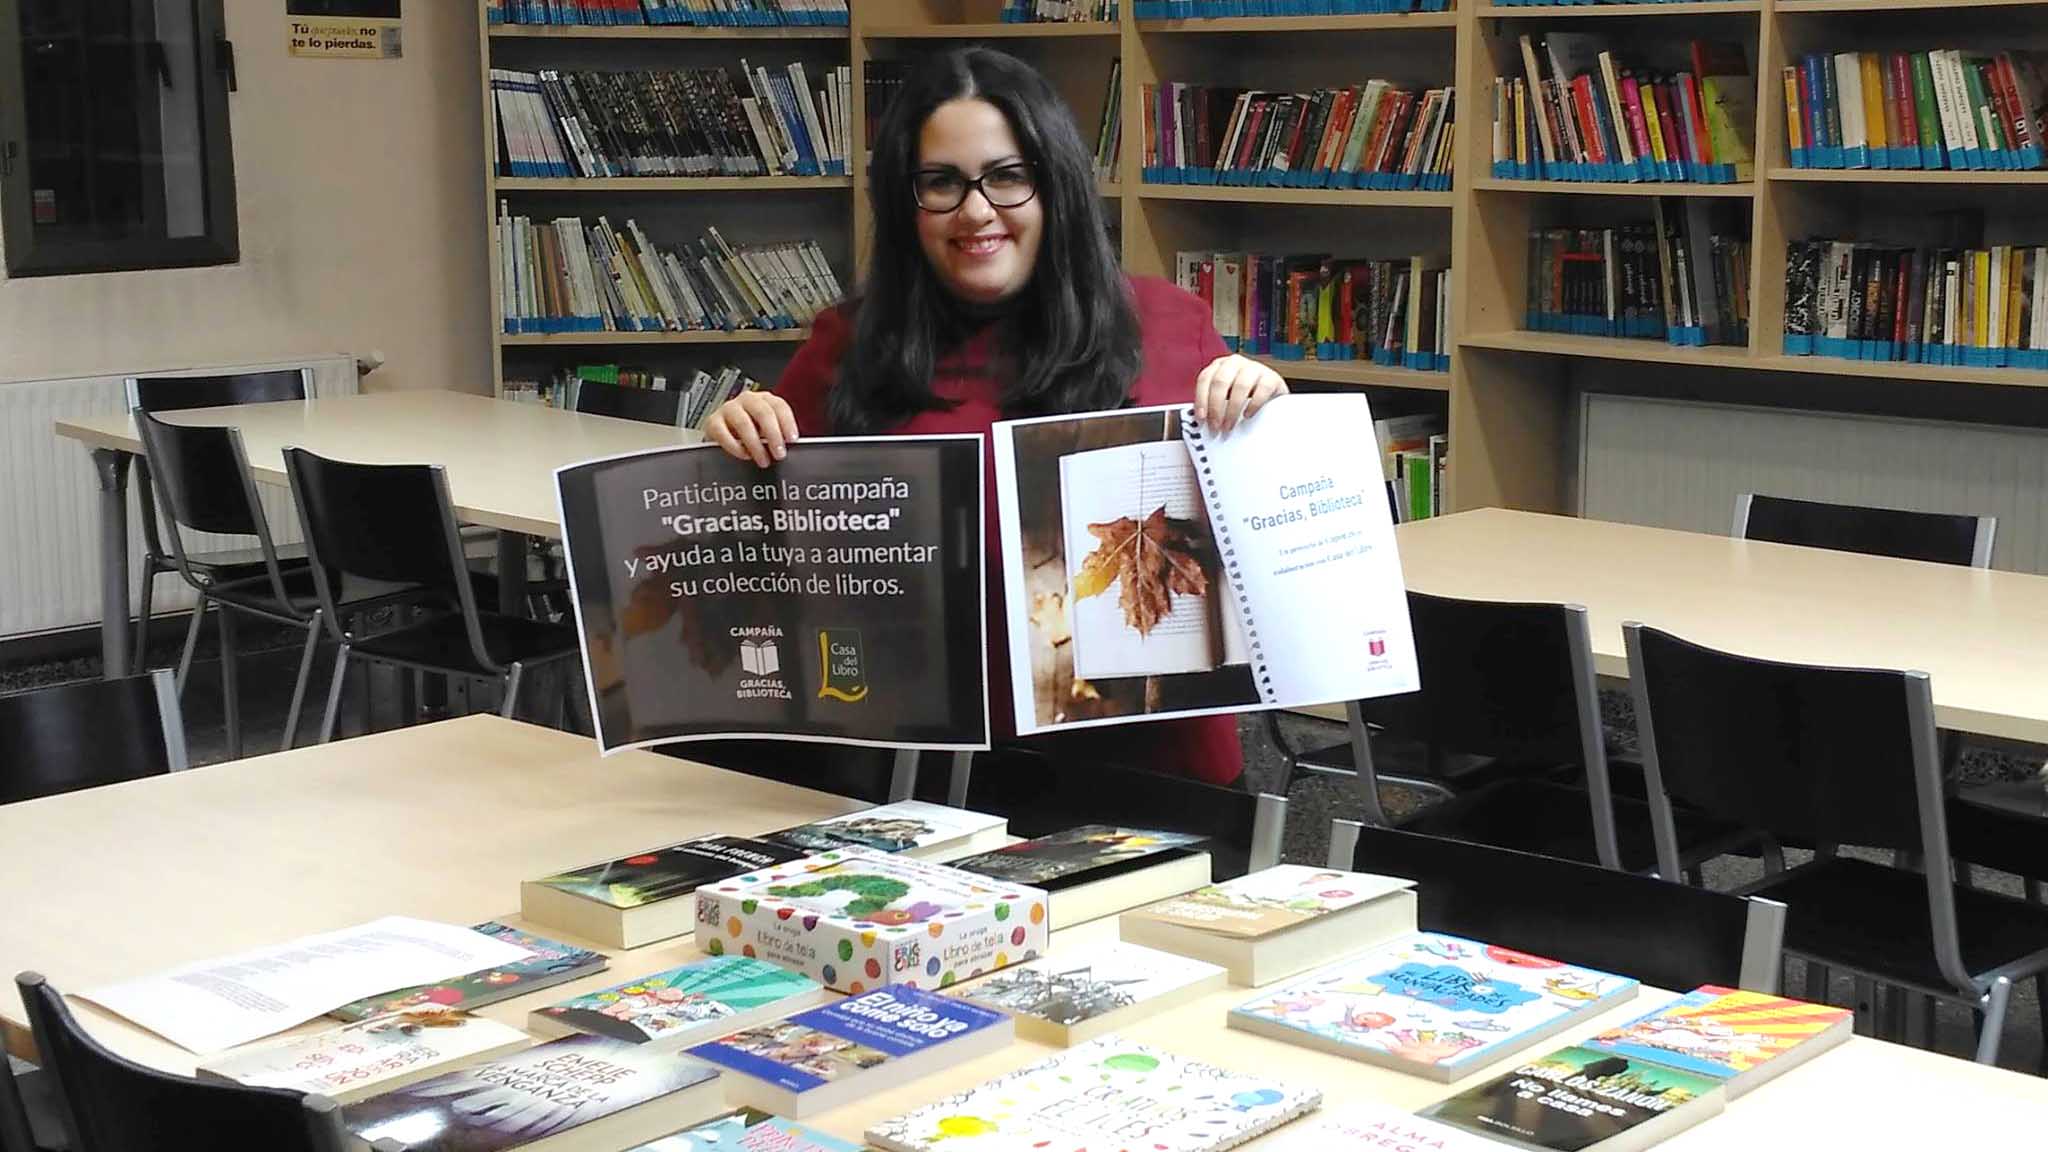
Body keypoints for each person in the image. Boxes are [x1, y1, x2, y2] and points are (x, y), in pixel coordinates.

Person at [706, 47, 1288, 786]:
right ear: (904, 202)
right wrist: (731, 444)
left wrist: (1266, 415)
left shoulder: (1171, 326)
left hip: (1153, 773)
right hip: (927, 773)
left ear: (1055, 186)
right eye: (941, 183)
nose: (976, 210)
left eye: (1008, 177)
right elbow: (761, 553)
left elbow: (1248, 543)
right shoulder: (848, 345)